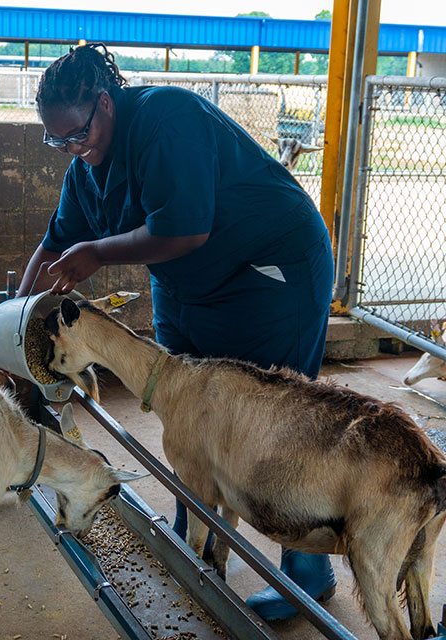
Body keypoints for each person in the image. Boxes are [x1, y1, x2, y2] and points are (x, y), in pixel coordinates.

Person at [17, 43, 336, 621]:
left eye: (76, 134)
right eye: (56, 139)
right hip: (191, 283)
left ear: (105, 104)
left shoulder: (168, 119)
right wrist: (18, 311)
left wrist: (94, 252)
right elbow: (56, 241)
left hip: (270, 269)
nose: (70, 147)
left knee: (274, 415)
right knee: (184, 405)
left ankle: (306, 568)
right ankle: (198, 534)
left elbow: (184, 229)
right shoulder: (84, 168)